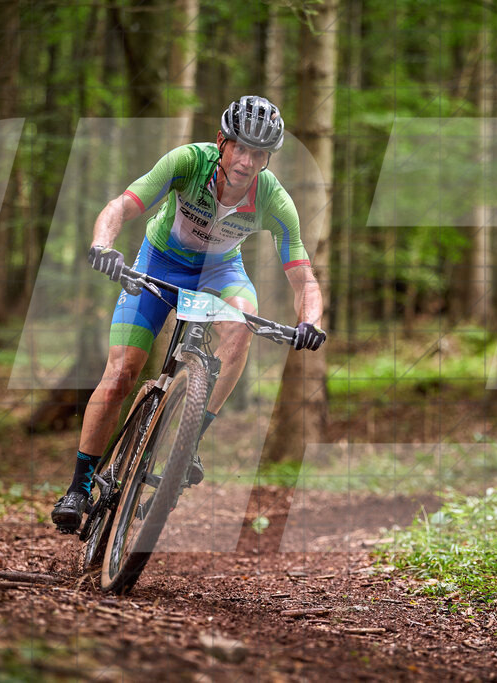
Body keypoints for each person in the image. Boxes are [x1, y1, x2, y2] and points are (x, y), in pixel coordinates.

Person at [52, 95, 326, 532]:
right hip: (158, 261)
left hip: (220, 271)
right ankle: (79, 486)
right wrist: (103, 245)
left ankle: (190, 440)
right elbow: (123, 205)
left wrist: (309, 321)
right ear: (222, 142)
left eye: (259, 154)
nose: (247, 161)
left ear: (267, 160)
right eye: (241, 147)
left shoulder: (274, 199)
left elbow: (304, 276)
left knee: (241, 328)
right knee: (123, 372)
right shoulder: (187, 162)